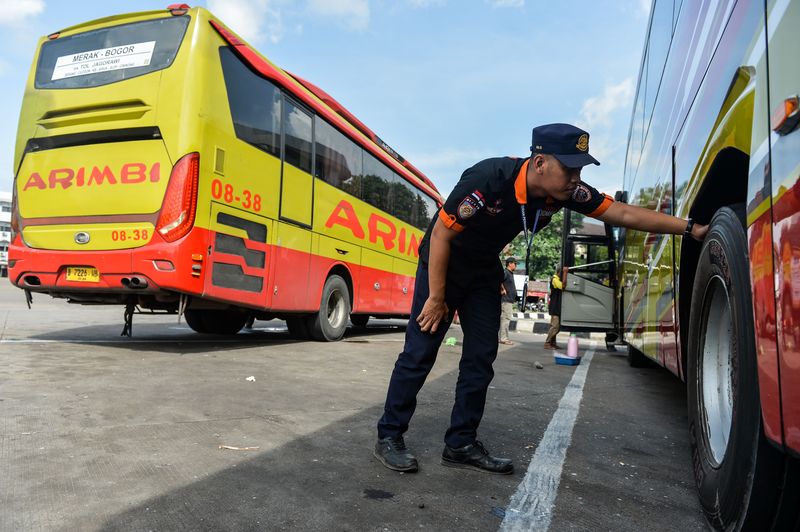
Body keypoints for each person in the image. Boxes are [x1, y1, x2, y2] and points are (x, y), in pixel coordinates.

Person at [374, 123, 708, 475]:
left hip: (483, 270)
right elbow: (441, 234)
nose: (576, 178)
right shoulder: (490, 178)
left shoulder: (564, 192)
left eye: (580, 170)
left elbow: (622, 213)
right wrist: (437, 297)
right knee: (420, 351)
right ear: (539, 163)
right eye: (569, 168)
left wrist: (689, 228)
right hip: (444, 263)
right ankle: (389, 435)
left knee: (481, 358)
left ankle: (460, 443)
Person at [544, 266, 568, 349]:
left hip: (557, 306)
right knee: (555, 326)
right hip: (554, 306)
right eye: (562, 273)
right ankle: (547, 343)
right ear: (559, 273)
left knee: (557, 327)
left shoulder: (557, 279)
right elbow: (563, 286)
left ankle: (553, 343)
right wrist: (565, 273)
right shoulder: (554, 279)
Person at [499, 257, 518, 345]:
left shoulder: (510, 273)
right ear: (510, 264)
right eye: (515, 263)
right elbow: (499, 280)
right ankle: (504, 338)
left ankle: (503, 337)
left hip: (509, 300)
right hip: (506, 300)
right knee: (505, 319)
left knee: (505, 319)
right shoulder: (506, 272)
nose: (516, 265)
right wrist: (502, 289)